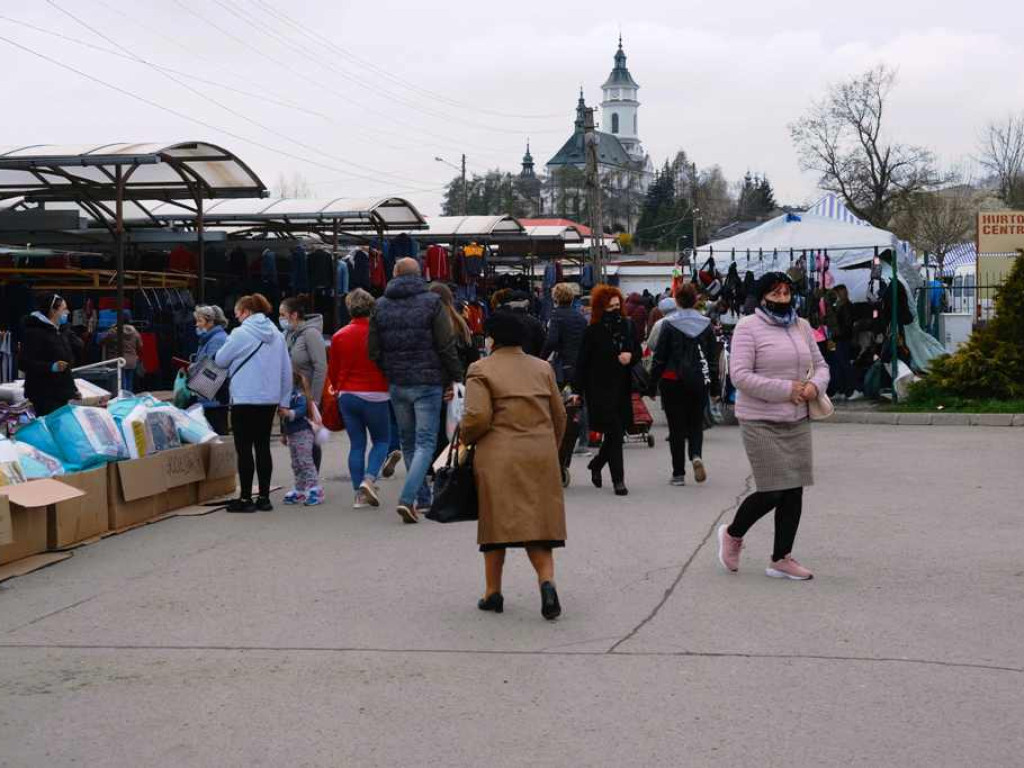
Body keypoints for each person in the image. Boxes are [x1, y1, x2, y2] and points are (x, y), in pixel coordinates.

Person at [718, 272, 830, 581]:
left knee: (794, 490)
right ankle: (733, 534)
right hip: (760, 420)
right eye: (775, 293)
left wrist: (814, 387)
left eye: (786, 293)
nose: (782, 299)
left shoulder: (802, 325)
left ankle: (781, 558)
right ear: (762, 296)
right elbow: (739, 375)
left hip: (796, 418)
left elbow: (821, 366)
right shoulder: (747, 328)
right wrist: (786, 389)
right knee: (773, 490)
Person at [462, 312, 568, 620]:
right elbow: (559, 415)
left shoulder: (480, 369)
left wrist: (466, 441)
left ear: (492, 338)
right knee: (539, 526)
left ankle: (492, 593)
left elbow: (477, 417)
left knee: (496, 525)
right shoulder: (543, 368)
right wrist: (551, 448)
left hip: (499, 455)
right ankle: (547, 584)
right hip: (539, 453)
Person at [369, 258, 463, 524]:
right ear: (419, 274)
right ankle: (408, 498)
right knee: (425, 443)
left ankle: (422, 497)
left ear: (394, 274)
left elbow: (373, 350)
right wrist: (456, 376)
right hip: (428, 381)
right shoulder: (432, 303)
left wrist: (389, 370)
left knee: (408, 442)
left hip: (398, 383)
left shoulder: (380, 305)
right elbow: (445, 344)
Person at [215, 293, 292, 513]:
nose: (237, 317)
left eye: (238, 313)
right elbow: (286, 371)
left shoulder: (240, 333)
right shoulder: (277, 335)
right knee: (263, 446)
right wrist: (283, 401)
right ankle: (265, 498)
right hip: (268, 399)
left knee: (244, 448)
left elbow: (220, 360)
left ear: (247, 312)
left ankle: (246, 499)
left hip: (243, 398)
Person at [574, 285, 641, 496]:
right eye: (610, 307)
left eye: (617, 305)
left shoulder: (628, 326)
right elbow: (582, 363)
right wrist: (577, 390)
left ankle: (597, 463)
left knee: (617, 434)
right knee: (613, 432)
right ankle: (618, 481)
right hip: (599, 389)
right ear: (600, 308)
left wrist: (630, 357)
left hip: (622, 387)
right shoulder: (593, 331)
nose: (615, 309)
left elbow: (637, 350)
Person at [649, 283, 718, 486]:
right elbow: (712, 359)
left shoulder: (668, 324)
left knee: (676, 427)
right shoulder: (706, 324)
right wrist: (714, 388)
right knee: (696, 423)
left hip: (672, 380)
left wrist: (652, 385)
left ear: (676, 301)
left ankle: (678, 474)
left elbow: (659, 358)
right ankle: (696, 455)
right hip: (698, 380)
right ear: (696, 301)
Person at [328, 288, 391, 509]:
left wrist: (338, 389)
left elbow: (333, 371)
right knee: (382, 440)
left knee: (356, 445)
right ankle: (369, 479)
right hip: (377, 393)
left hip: (347, 395)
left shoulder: (339, 335)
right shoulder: (380, 334)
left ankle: (359, 495)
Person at [279, 295, 327, 471]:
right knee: (296, 441)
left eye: (283, 314)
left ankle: (313, 482)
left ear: (294, 315)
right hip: (291, 396)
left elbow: (321, 367)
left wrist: (313, 400)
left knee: (310, 440)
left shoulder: (311, 334)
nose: (281, 319)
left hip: (307, 397)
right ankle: (302, 481)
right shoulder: (288, 335)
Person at [20, 293, 82, 417]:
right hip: (44, 393)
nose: (68, 312)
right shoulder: (35, 333)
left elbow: (72, 355)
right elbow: (24, 363)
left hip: (61, 392)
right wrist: (51, 367)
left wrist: (72, 389)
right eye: (64, 309)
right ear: (53, 311)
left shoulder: (60, 331)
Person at [280, 372, 324, 506]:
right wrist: (284, 434)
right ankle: (300, 489)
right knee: (296, 463)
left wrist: (289, 413)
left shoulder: (298, 395)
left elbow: (301, 409)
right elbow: (283, 419)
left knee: (305, 461)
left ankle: (314, 489)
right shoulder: (285, 397)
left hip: (303, 432)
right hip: (293, 434)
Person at [191, 305, 230, 435]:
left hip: (214, 398)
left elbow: (213, 368)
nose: (197, 325)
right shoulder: (209, 339)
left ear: (211, 321)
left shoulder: (217, 339)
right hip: (210, 397)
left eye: (200, 321)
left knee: (217, 434)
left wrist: (193, 368)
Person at [541, 283, 587, 388]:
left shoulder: (556, 316)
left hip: (563, 363)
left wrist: (541, 358)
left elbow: (551, 341)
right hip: (580, 363)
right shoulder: (581, 318)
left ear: (555, 298)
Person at [492, 289, 547, 358]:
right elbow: (543, 345)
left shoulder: (503, 322)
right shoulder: (535, 322)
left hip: (507, 361)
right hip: (530, 361)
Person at [97, 313, 143, 393]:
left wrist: (111, 329)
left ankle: (123, 398)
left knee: (120, 383)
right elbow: (140, 345)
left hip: (118, 361)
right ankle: (129, 398)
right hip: (131, 361)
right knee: (129, 383)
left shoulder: (114, 332)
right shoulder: (135, 332)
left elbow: (101, 341)